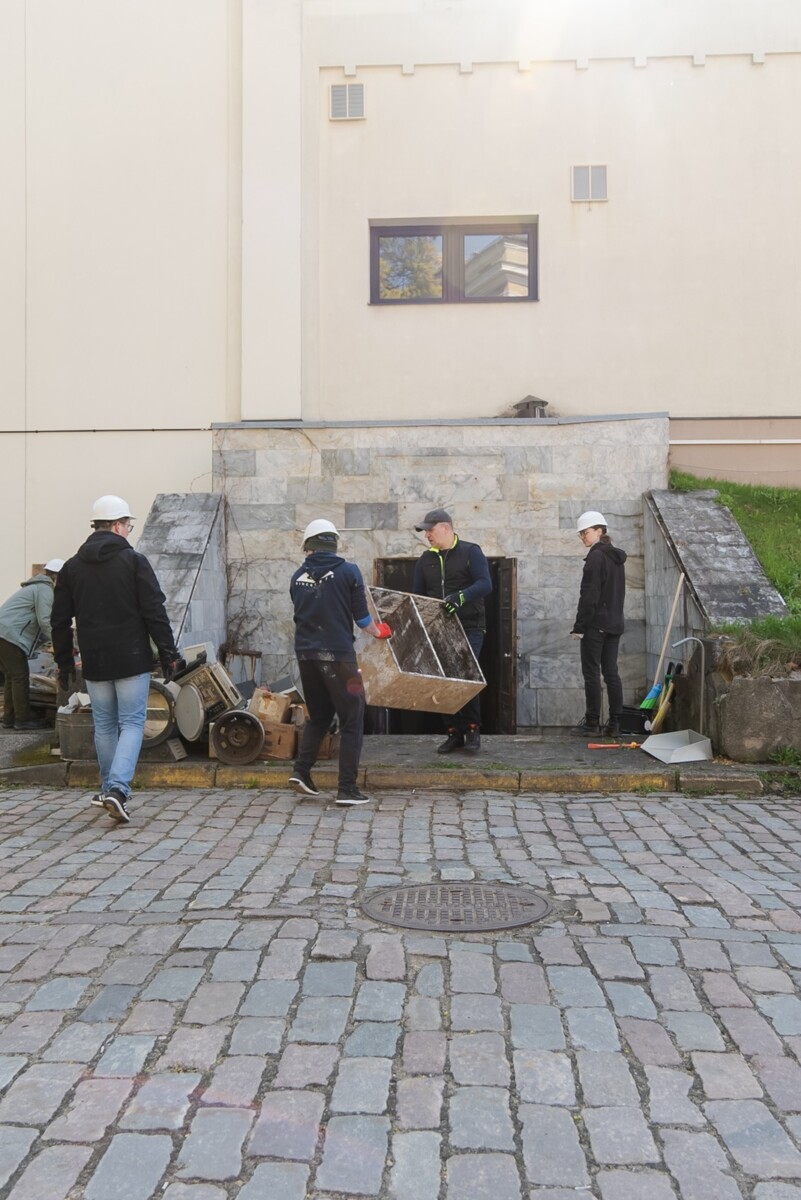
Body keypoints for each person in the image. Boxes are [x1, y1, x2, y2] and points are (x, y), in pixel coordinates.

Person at [52, 495, 183, 824]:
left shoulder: (71, 567)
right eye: (128, 525)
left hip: (95, 658)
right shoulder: (133, 562)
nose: (129, 531)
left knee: (105, 726)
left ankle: (108, 787)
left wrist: (66, 663)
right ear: (117, 525)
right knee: (133, 723)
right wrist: (169, 654)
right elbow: (154, 611)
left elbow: (59, 621)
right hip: (131, 657)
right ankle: (118, 790)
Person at [288, 518, 387, 806]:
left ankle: (301, 772)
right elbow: (363, 619)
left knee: (319, 716)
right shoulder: (349, 572)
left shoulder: (296, 577)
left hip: (306, 655)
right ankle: (347, 790)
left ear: (309, 546)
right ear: (333, 543)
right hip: (339, 657)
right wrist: (380, 632)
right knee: (353, 718)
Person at [412, 508, 492, 753]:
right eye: (425, 531)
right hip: (439, 629)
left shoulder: (471, 552)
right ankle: (453, 733)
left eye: (430, 530)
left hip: (470, 626)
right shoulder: (425, 559)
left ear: (445, 528)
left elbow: (485, 584)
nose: (427, 535)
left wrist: (461, 597)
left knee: (464, 675)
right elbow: (417, 595)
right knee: (444, 680)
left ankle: (472, 729)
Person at [571, 510, 627, 737]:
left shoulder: (596, 557)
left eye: (585, 532)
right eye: (581, 533)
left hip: (596, 624)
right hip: (615, 623)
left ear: (599, 531)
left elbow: (589, 595)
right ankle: (615, 724)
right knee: (611, 673)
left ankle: (592, 723)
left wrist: (580, 626)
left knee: (592, 673)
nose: (582, 537)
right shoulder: (616, 558)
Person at [0, 558, 64, 730]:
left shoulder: (35, 587)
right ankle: (22, 719)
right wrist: (60, 643)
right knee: (20, 676)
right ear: (57, 577)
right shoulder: (45, 589)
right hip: (9, 635)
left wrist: (50, 639)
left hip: (4, 633)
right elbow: (45, 620)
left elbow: (38, 624)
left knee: (12, 677)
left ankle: (9, 718)